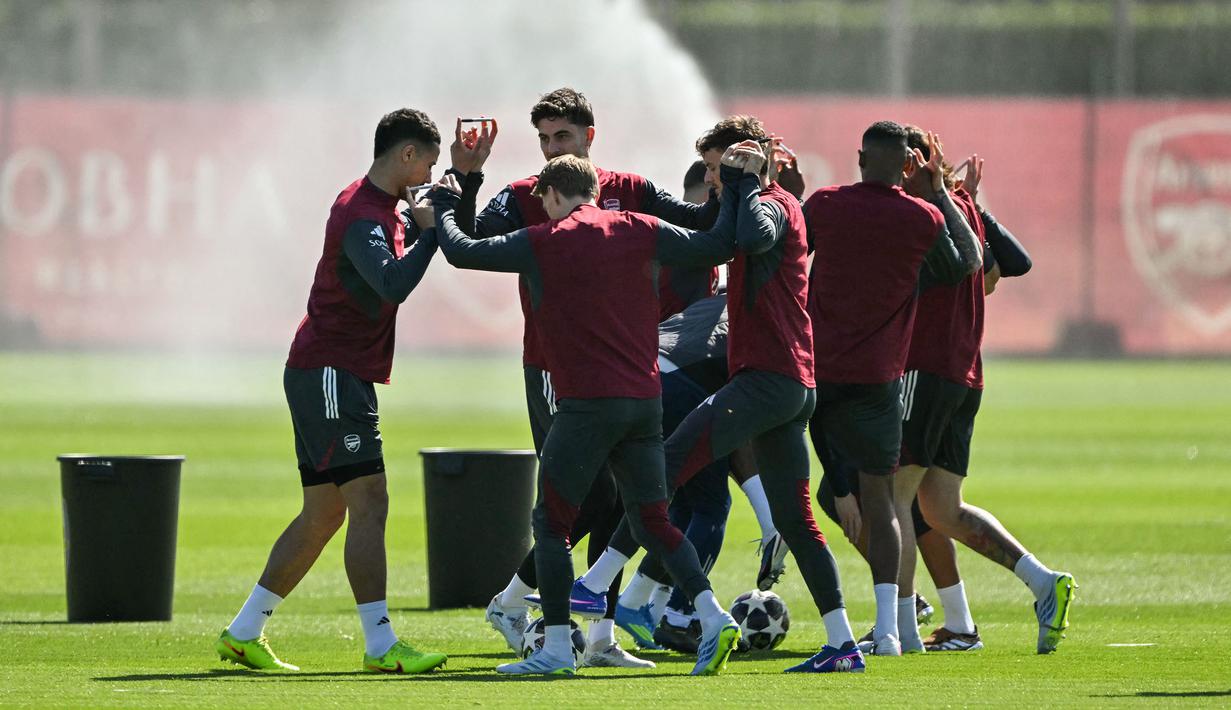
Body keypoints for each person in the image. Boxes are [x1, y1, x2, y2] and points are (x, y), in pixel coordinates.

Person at [570, 116, 866, 674]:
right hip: (788, 382)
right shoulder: (758, 200)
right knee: (796, 521)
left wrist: (747, 181)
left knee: (664, 469)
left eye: (714, 167)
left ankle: (598, 581)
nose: (710, 179)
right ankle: (843, 644)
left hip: (767, 381)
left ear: (742, 162)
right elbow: (727, 238)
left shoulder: (769, 202)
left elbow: (753, 235)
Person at [433, 154, 742, 677]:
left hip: (585, 406)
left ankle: (555, 650)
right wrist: (738, 187)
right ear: (596, 191)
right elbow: (718, 243)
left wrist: (445, 204)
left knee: (551, 526)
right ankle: (713, 617)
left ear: (552, 196)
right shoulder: (641, 228)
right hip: (645, 402)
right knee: (653, 520)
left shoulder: (546, 238)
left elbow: (463, 252)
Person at [214, 109, 446, 674]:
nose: (427, 179)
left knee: (323, 514)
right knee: (370, 501)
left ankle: (243, 633)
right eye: (428, 164)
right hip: (332, 374)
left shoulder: (376, 207)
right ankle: (381, 644)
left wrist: (427, 218)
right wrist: (433, 233)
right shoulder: (363, 214)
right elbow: (391, 283)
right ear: (406, 155)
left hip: (328, 370)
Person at [803, 121, 982, 657]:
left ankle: (837, 628)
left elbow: (789, 250)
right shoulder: (921, 217)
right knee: (882, 501)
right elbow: (968, 262)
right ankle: (888, 631)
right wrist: (942, 195)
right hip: (881, 380)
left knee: (817, 493)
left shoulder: (826, 203)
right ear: (907, 165)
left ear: (859, 157)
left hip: (820, 373)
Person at [891, 131, 1073, 655]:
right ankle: (1044, 583)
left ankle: (898, 633)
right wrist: (960, 194)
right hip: (965, 374)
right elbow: (999, 270)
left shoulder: (915, 211)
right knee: (944, 509)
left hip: (922, 370)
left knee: (894, 496)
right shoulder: (962, 205)